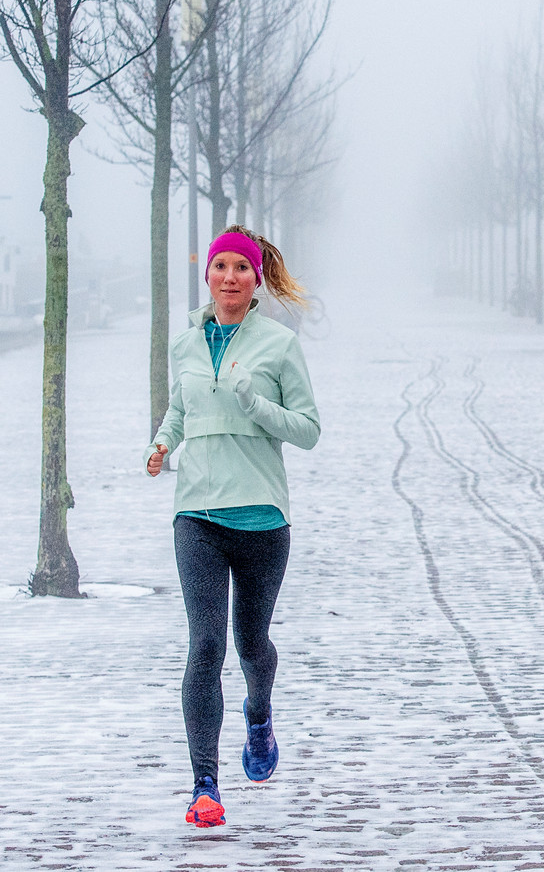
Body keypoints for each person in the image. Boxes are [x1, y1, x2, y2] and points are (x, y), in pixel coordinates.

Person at [144, 225, 320, 828]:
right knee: (205, 645)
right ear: (208, 275)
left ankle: (260, 714)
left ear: (257, 278)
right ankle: (204, 786)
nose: (228, 277)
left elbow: (308, 429)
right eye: (220, 266)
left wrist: (255, 404)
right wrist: (164, 442)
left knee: (251, 645)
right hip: (196, 514)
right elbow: (179, 407)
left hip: (262, 518)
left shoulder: (278, 344)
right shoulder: (186, 344)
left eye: (240, 269)